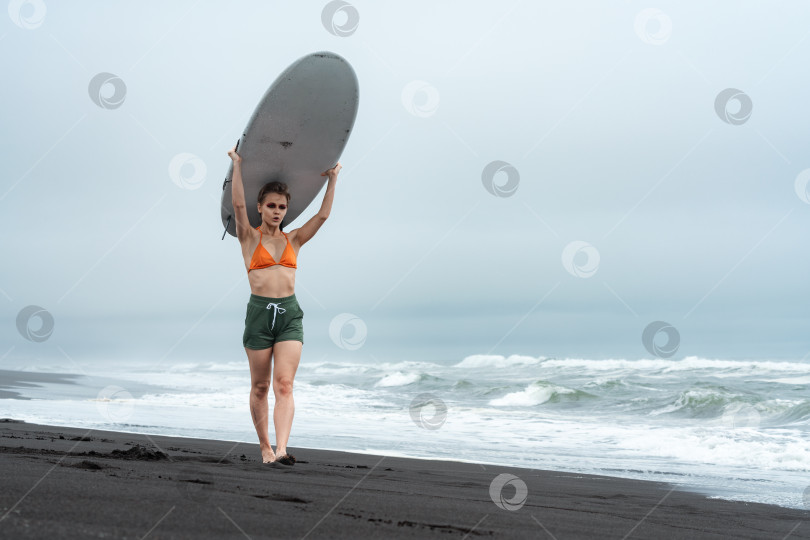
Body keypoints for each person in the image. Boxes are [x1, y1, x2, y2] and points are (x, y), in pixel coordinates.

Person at [227, 143, 341, 465]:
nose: (278, 211)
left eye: (282, 207)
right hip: (259, 315)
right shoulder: (249, 238)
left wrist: (332, 179)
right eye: (272, 205)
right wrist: (237, 164)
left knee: (285, 384)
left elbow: (323, 215)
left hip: (289, 314)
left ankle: (281, 449)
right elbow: (237, 204)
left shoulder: (295, 240)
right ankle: (264, 447)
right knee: (261, 386)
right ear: (260, 207)